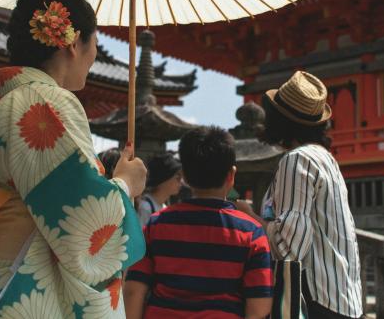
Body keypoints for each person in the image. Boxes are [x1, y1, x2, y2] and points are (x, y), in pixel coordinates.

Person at [0, 0, 147, 318]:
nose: (95, 54)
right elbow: (81, 218)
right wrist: (125, 185)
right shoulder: (43, 103)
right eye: (95, 41)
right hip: (17, 295)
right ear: (72, 41)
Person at [236, 71, 363, 319]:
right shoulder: (325, 159)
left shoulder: (297, 160)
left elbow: (289, 247)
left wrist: (249, 216)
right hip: (343, 298)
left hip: (317, 301)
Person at [125, 126, 273, 319]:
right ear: (231, 176)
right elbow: (259, 307)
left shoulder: (156, 225)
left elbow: (134, 291)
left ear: (184, 175)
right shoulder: (252, 233)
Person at [137, 152, 182, 226]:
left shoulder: (164, 207)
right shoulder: (145, 208)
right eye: (178, 178)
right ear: (164, 180)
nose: (181, 182)